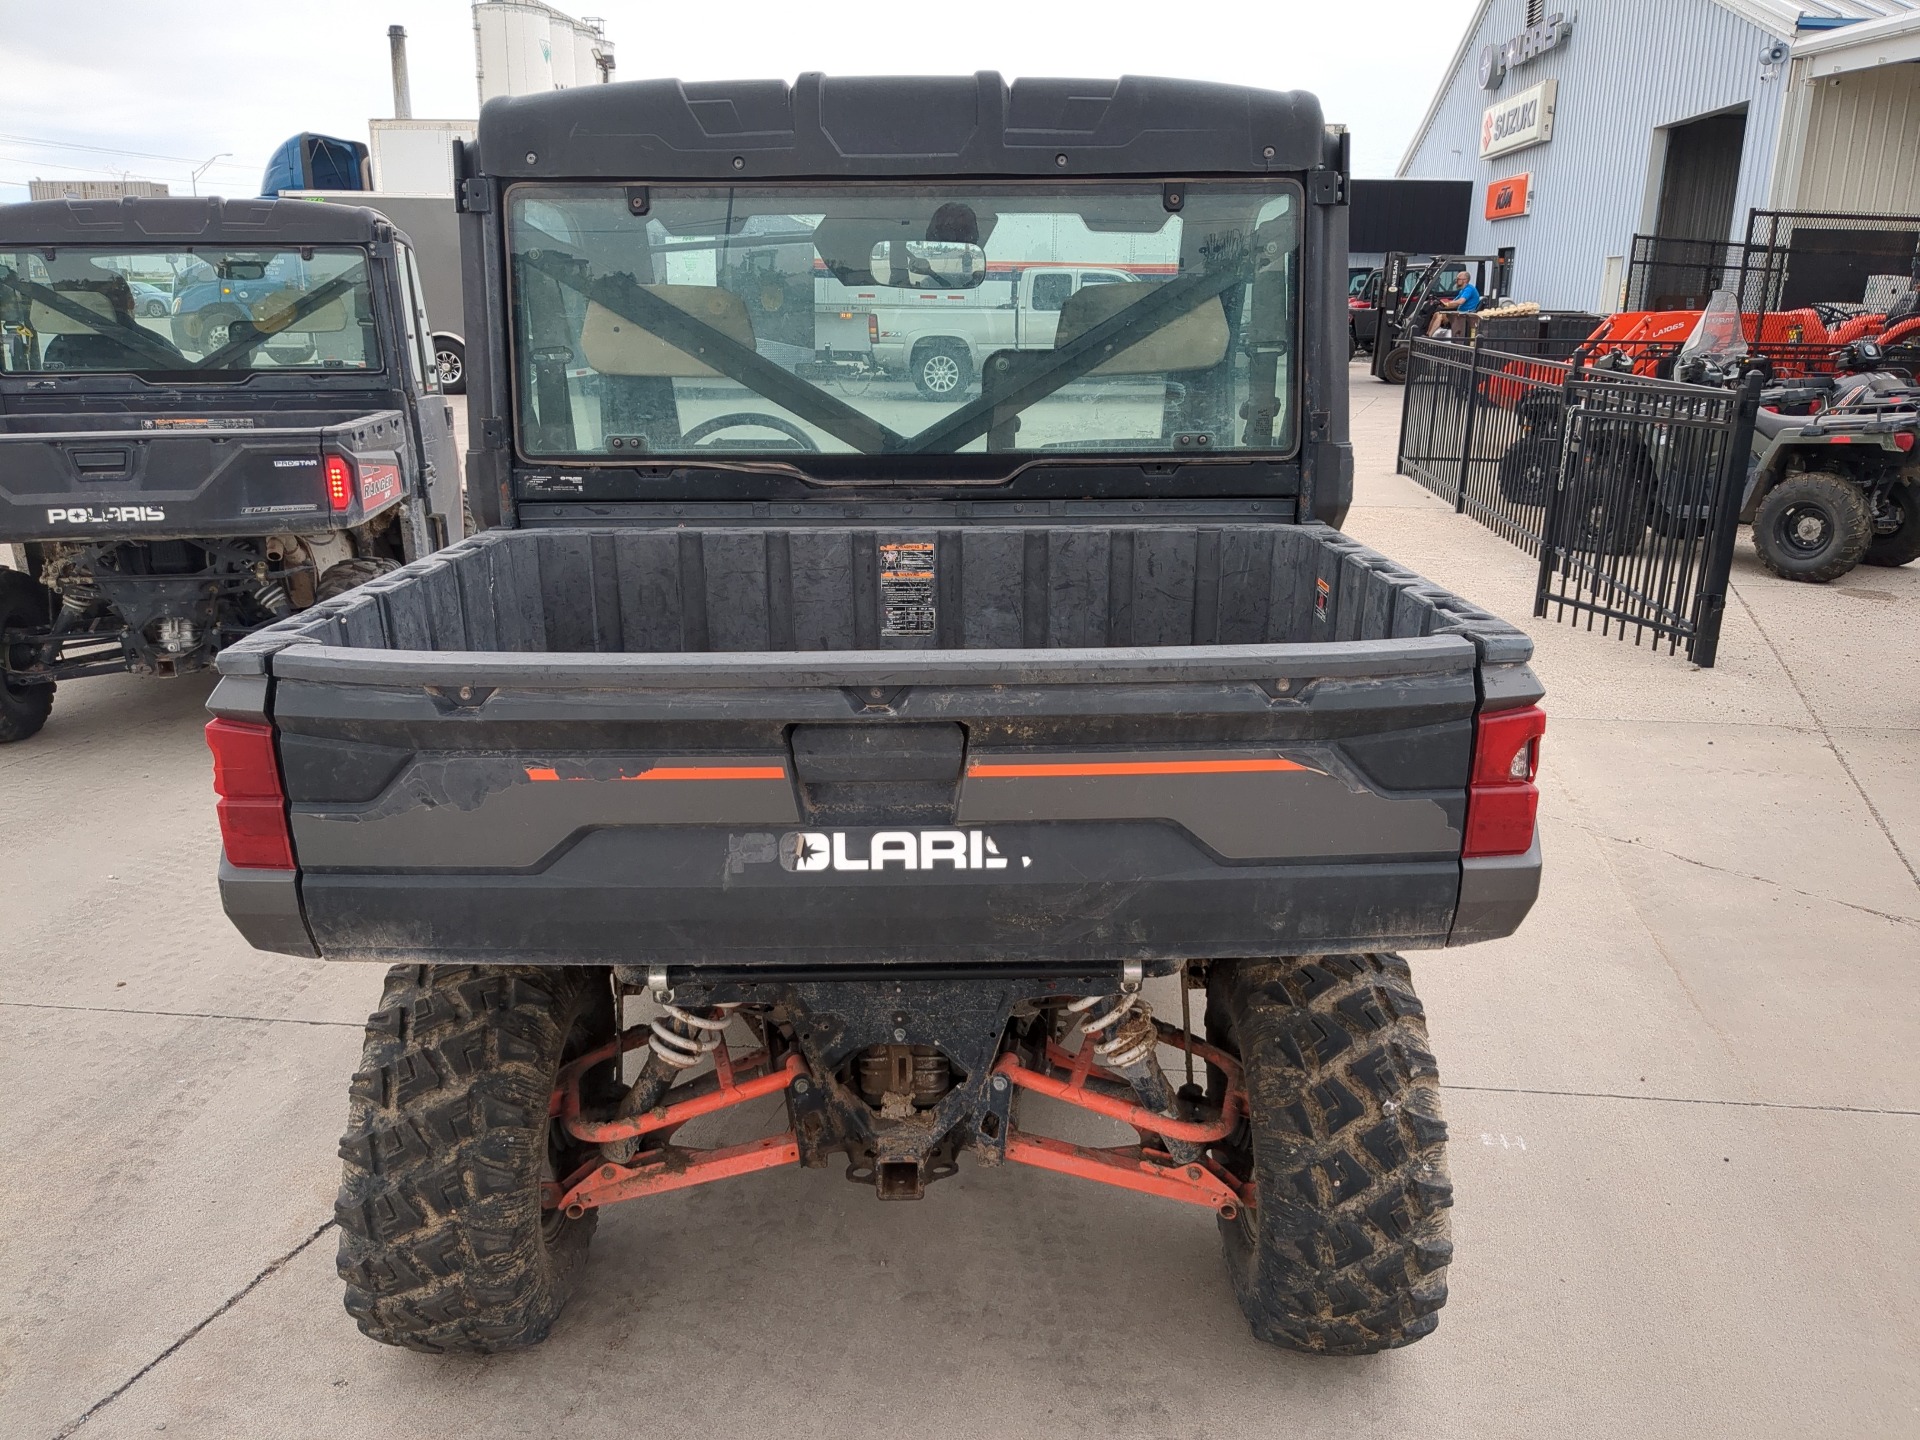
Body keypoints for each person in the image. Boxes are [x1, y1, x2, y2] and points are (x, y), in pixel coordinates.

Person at [1427, 268, 1481, 337]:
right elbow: (1454, 303)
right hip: (1460, 313)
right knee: (1436, 314)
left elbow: (1461, 301)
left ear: (1465, 280)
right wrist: (1443, 304)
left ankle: (1429, 337)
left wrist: (1448, 304)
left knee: (1440, 316)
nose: (1456, 280)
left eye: (1458, 279)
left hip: (1466, 315)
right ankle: (1427, 334)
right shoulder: (1462, 291)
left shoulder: (1469, 289)